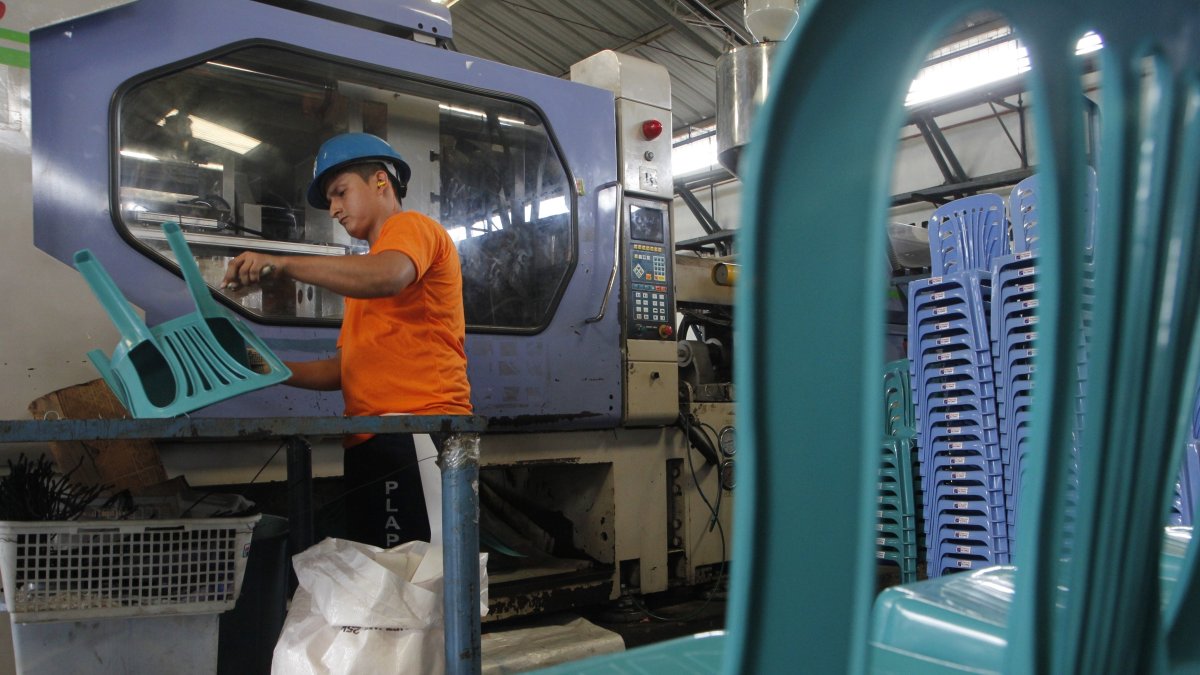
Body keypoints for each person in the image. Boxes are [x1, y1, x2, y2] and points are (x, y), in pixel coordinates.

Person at [223, 132, 472, 548]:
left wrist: (283, 265)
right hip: (373, 438)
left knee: (416, 580)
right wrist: (264, 369)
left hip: (415, 431)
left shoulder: (412, 231)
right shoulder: (365, 277)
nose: (334, 209)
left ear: (380, 181)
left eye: (340, 192)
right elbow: (346, 369)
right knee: (382, 578)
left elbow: (390, 276)